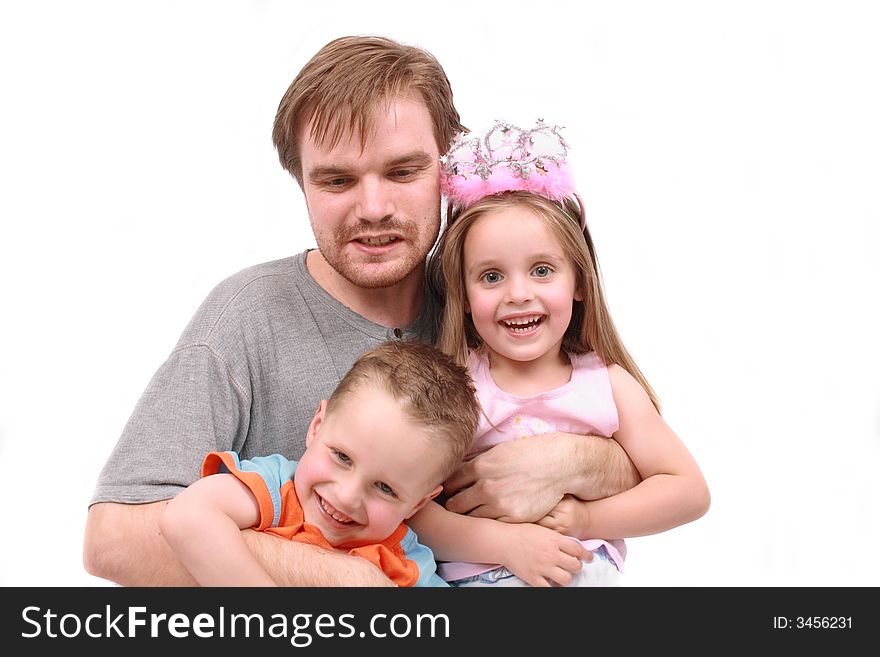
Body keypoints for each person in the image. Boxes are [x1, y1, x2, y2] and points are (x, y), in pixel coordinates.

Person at [83, 36, 641, 587]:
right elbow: (112, 539)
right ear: (299, 182)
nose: (373, 208)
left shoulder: (492, 303)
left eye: (402, 172)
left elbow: (638, 441)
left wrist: (579, 461)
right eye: (337, 180)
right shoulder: (247, 317)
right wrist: (348, 580)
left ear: (447, 168)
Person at [409, 119, 710, 586]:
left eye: (542, 270)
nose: (517, 294)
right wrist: (505, 545)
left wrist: (588, 521)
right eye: (491, 277)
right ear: (463, 296)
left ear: (580, 284)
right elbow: (412, 513)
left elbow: (688, 491)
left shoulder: (606, 384)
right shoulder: (455, 386)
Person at [158, 341, 480, 587]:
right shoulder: (275, 492)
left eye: (385, 488)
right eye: (342, 457)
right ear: (316, 426)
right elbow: (186, 516)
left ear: (419, 501)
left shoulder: (406, 563)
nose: (347, 496)